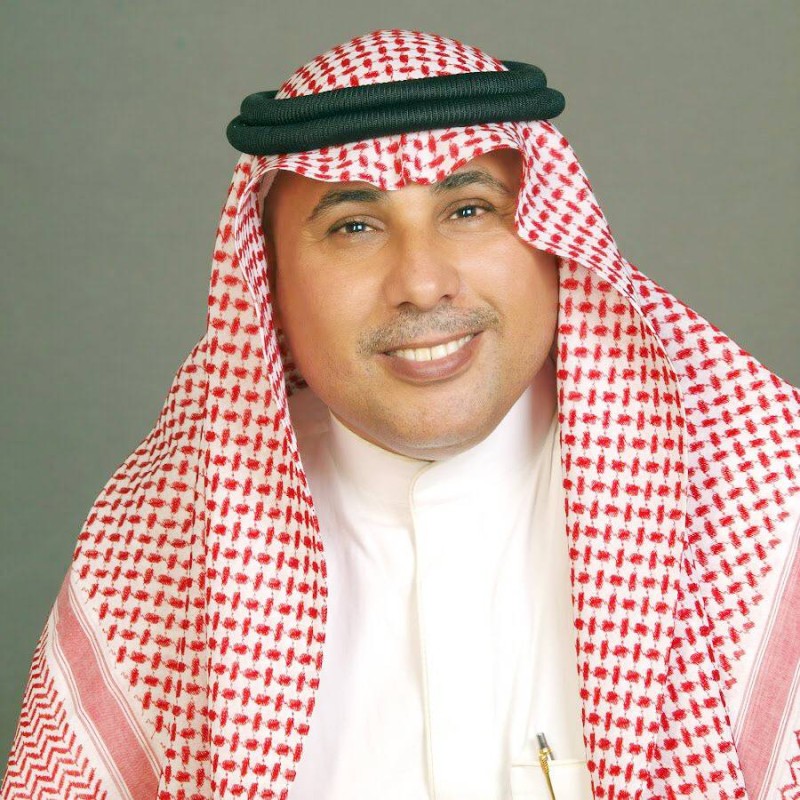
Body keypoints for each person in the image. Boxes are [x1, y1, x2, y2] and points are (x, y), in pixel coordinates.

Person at [2, 28, 799, 800]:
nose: (421, 283)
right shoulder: (162, 550)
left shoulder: (766, 506)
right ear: (269, 281)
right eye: (354, 227)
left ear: (553, 239)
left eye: (469, 210)